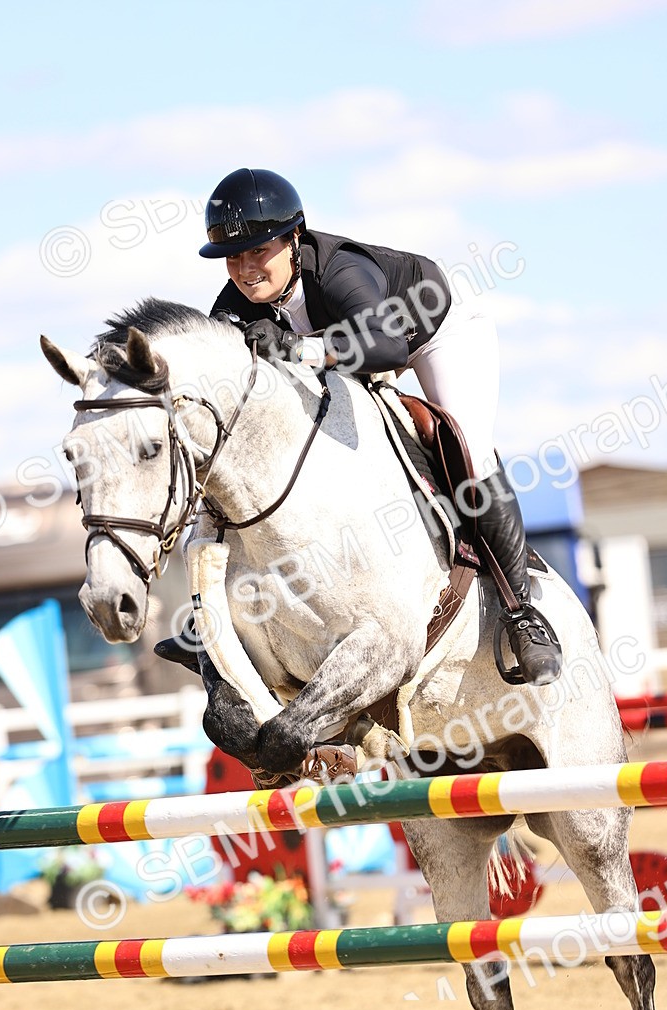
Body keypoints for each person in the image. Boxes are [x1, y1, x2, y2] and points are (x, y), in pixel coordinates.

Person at [156, 167, 562, 686]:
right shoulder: (234, 303)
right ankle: (210, 618)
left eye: (258, 251)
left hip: (432, 333)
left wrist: (297, 349)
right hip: (356, 351)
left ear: (293, 238)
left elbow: (389, 348)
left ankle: (522, 614)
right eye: (234, 257)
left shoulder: (339, 271)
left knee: (468, 447)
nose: (245, 268)